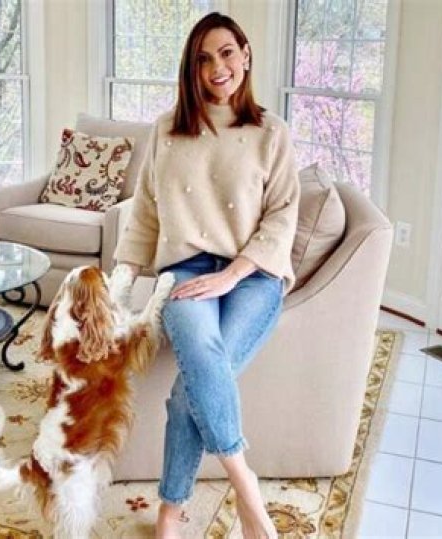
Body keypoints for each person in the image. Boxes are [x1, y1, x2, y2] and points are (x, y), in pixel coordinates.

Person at [114, 11, 300, 539]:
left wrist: (233, 274)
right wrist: (120, 282)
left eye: (226, 53)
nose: (217, 67)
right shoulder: (166, 130)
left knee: (187, 392)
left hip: (254, 274)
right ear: (191, 70)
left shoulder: (272, 132)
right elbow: (146, 210)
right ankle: (247, 489)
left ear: (245, 54)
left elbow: (282, 214)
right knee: (201, 355)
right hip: (186, 271)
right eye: (203, 59)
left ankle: (170, 513)